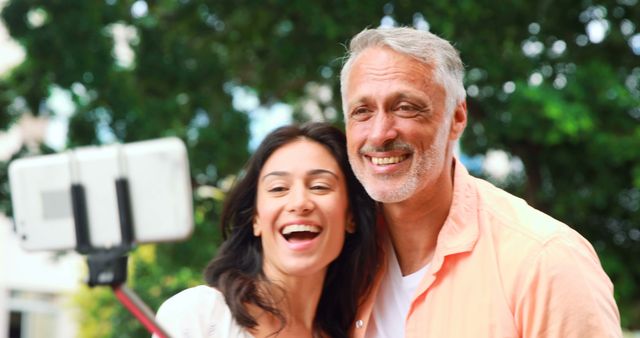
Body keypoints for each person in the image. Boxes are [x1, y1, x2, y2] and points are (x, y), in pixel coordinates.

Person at [340, 27, 622, 338]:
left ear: (457, 118)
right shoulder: (335, 257)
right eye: (362, 111)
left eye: (405, 107)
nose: (380, 133)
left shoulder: (545, 261)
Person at [154, 123, 379, 338]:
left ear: (351, 217)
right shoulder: (199, 314)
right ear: (256, 219)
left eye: (319, 186)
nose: (299, 202)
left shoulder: (361, 330)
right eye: (278, 188)